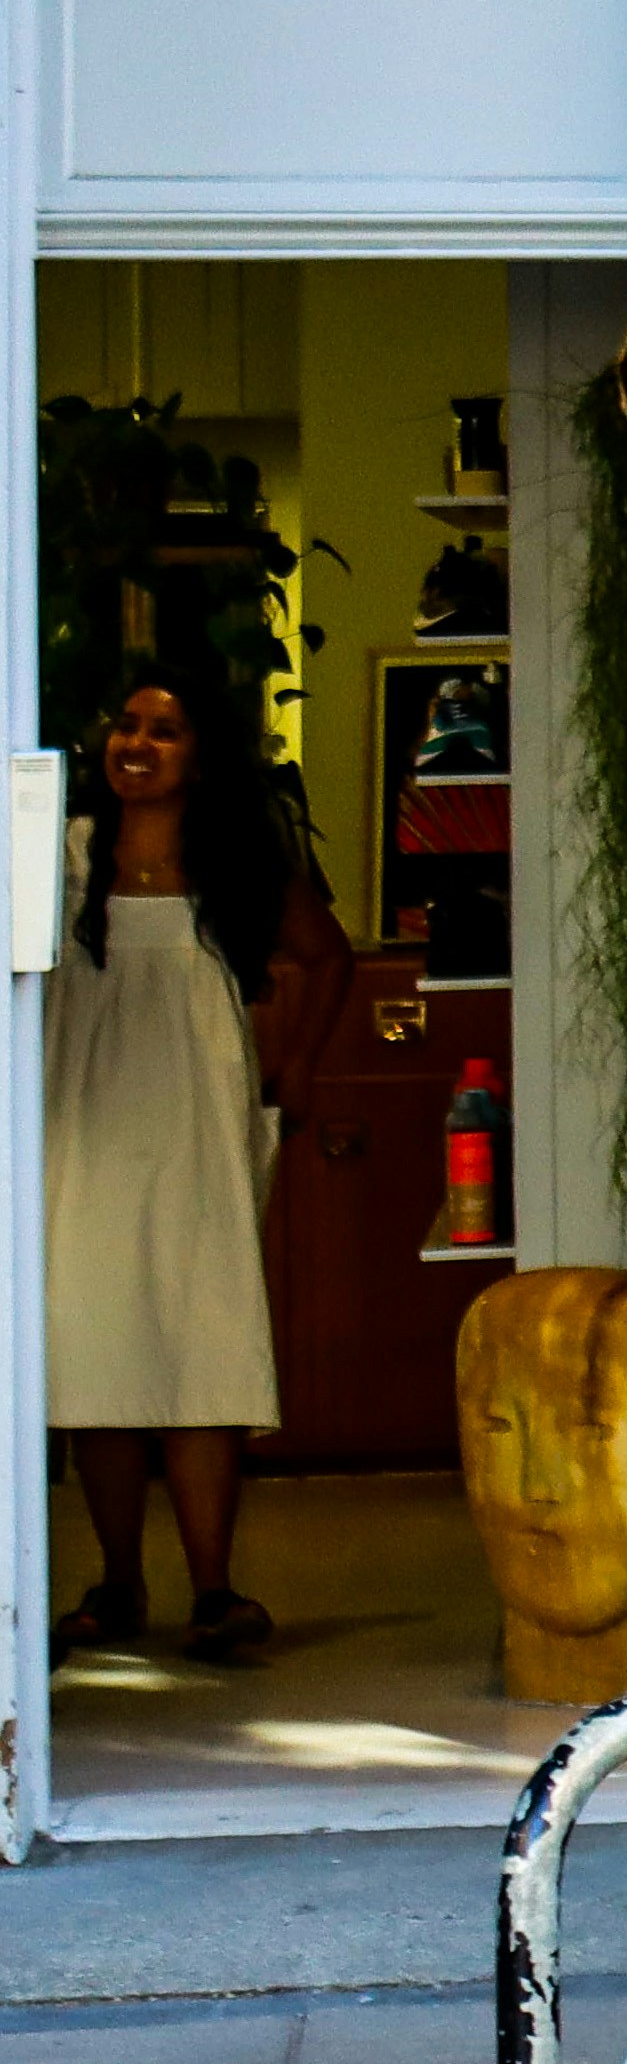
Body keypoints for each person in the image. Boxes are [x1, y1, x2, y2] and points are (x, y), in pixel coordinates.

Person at [43, 677, 344, 1662]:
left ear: (201, 758)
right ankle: (117, 1582)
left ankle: (214, 1590)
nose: (136, 742)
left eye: (163, 731)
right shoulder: (67, 854)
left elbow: (324, 954)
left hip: (197, 1122)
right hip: (84, 1119)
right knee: (100, 1346)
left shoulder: (235, 861)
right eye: (126, 724)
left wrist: (291, 1068)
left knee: (199, 1340)